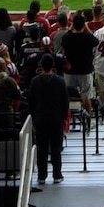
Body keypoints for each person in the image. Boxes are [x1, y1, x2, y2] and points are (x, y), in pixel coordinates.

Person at [27, 54, 72, 185]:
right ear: (53, 66)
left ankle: (41, 176)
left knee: (42, 148)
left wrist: (33, 117)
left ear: (41, 65)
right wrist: (64, 117)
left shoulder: (35, 81)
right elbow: (65, 101)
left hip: (40, 118)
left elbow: (31, 102)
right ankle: (57, 174)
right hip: (56, 118)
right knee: (56, 148)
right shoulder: (60, 81)